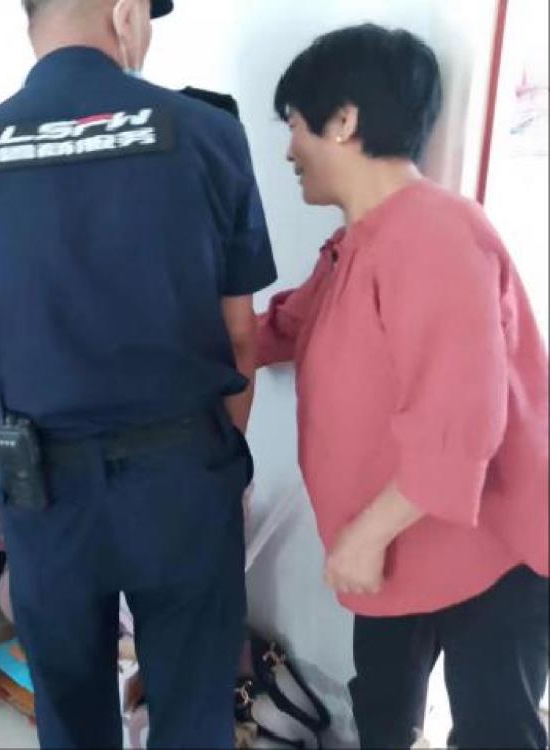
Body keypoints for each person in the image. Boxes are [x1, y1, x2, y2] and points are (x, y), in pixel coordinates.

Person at [0, 0, 276, 745]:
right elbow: (240, 336)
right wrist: (217, 460)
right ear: (125, 14)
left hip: (42, 492)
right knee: (194, 706)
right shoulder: (208, 133)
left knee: (70, 709)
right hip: (185, 477)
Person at [257, 24, 549, 749]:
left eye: (295, 124)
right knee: (385, 707)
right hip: (401, 550)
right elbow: (286, 326)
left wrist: (365, 537)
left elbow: (460, 418)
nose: (289, 150)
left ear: (343, 120)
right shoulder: (357, 243)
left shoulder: (435, 232)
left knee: (496, 729)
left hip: (488, 551)